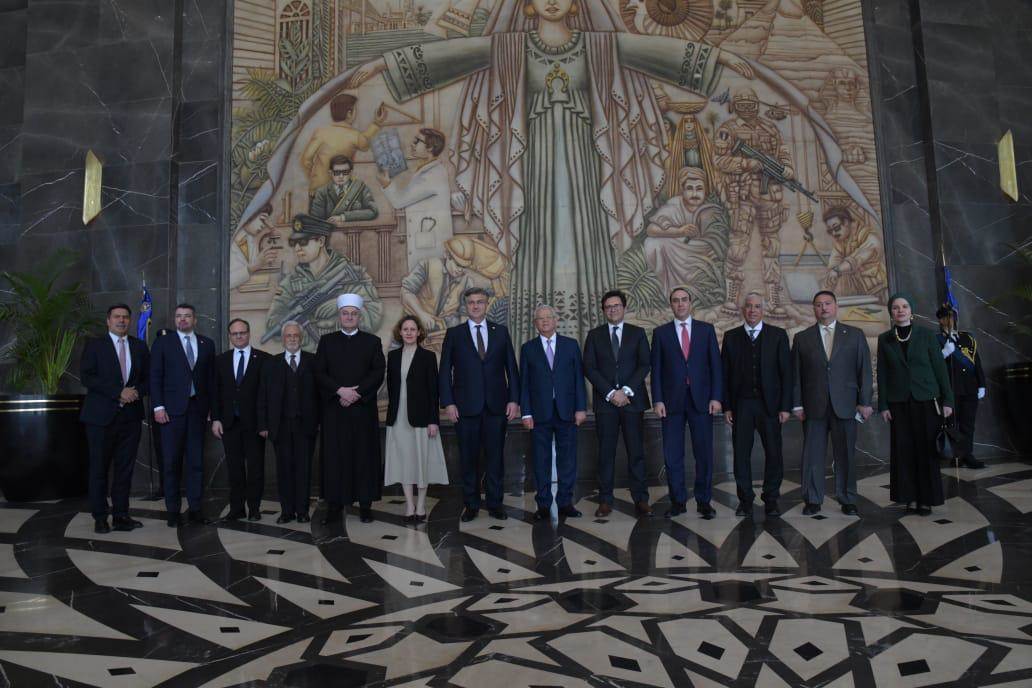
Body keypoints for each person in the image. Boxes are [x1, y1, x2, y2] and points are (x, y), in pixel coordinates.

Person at [343, 0, 755, 344]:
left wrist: (721, 58)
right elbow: (454, 57)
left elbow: (653, 52)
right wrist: (384, 65)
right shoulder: (512, 47)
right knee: (535, 236)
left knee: (586, 233)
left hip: (585, 167)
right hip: (532, 169)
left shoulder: (598, 45)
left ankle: (595, 338)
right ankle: (536, 333)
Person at [439, 287, 520, 521]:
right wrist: (448, 403)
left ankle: (495, 504)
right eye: (471, 302)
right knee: (468, 459)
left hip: (497, 406)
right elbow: (444, 371)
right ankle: (471, 504)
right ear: (466, 306)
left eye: (480, 302)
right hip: (465, 408)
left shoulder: (500, 332)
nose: (475, 306)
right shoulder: (454, 334)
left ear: (486, 304)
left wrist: (514, 399)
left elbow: (511, 369)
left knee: (495, 458)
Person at [714, 87, 796, 316]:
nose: (748, 109)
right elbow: (719, 160)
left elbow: (783, 152)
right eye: (743, 105)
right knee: (738, 247)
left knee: (772, 246)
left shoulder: (770, 128)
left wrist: (787, 168)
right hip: (742, 195)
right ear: (735, 106)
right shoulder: (728, 130)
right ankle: (732, 298)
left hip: (770, 194)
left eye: (752, 104)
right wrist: (747, 164)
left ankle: (774, 299)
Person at [792, 290, 873, 516]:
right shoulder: (802, 338)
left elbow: (864, 370)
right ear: (814, 309)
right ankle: (812, 499)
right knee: (812, 455)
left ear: (836, 306)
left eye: (827, 303)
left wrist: (865, 402)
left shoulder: (855, 335)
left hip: (846, 405)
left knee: (845, 454)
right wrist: (797, 404)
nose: (823, 308)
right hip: (813, 406)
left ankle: (847, 499)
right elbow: (795, 375)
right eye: (819, 305)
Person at [650, 287, 723, 519]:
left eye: (684, 300)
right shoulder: (660, 333)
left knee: (704, 454)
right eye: (675, 301)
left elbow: (716, 366)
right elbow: (656, 370)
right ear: (671, 305)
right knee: (673, 456)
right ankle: (678, 502)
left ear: (691, 303)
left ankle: (704, 502)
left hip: (702, 401)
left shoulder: (706, 330)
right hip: (671, 403)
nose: (680, 304)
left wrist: (716, 397)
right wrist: (657, 399)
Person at [879, 295, 954, 514]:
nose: (900, 310)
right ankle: (909, 496)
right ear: (891, 312)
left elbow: (939, 368)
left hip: (926, 400)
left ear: (911, 310)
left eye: (904, 306)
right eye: (895, 307)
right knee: (904, 451)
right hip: (898, 403)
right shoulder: (885, 339)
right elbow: (882, 373)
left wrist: (948, 399)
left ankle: (926, 499)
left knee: (926, 451)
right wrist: (883, 405)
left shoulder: (926, 334)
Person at [315, 293, 386, 524]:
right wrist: (339, 391)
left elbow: (378, 372)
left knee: (364, 457)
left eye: (353, 314)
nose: (349, 317)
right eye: (345, 313)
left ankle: (365, 505)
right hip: (335, 411)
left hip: (362, 410)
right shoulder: (327, 342)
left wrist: (357, 393)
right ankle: (334, 505)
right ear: (340, 316)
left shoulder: (372, 342)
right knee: (335, 457)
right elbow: (319, 372)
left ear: (359, 316)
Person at [79, 304, 150, 533]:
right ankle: (100, 517)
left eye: (125, 317)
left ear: (130, 321)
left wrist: (135, 392)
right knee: (99, 469)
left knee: (124, 470)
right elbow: (87, 377)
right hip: (100, 418)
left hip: (130, 418)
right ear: (108, 321)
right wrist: (118, 392)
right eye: (117, 317)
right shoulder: (95, 346)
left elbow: (149, 378)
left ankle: (121, 515)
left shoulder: (139, 346)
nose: (121, 320)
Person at [582, 290, 652, 518]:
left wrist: (626, 390)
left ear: (624, 307)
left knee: (636, 452)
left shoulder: (637, 333)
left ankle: (641, 499)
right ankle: (605, 500)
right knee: (605, 453)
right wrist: (612, 393)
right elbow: (589, 367)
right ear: (604, 310)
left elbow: (645, 364)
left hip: (632, 401)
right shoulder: (594, 335)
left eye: (616, 305)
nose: (612, 309)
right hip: (606, 404)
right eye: (608, 306)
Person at [265, 214, 383, 350]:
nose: (297, 248)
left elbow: (373, 317)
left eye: (303, 241)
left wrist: (341, 305)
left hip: (345, 351)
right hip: (308, 357)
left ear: (321, 241)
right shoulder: (291, 282)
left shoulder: (350, 273)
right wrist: (302, 328)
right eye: (293, 243)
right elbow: (273, 323)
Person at [720, 292, 791, 518]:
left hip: (770, 406)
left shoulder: (778, 336)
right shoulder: (731, 337)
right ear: (743, 310)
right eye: (749, 306)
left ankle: (771, 499)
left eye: (757, 306)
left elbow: (787, 374)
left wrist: (785, 407)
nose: (752, 310)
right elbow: (724, 375)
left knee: (774, 453)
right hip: (741, 405)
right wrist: (727, 407)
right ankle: (745, 500)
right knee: (741, 454)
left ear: (763, 310)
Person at [151, 303, 216, 527]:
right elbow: (155, 376)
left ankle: (196, 509)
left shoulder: (207, 344)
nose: (183, 319)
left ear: (195, 319)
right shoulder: (163, 343)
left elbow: (210, 379)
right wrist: (158, 407)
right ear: (174, 319)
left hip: (198, 411)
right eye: (179, 316)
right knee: (171, 463)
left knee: (196, 463)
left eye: (187, 316)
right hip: (171, 413)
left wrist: (212, 408)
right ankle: (173, 511)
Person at [520, 305, 587, 521]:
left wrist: (581, 408)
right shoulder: (528, 348)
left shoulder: (571, 345)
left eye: (549, 317)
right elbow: (524, 383)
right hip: (539, 414)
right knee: (541, 460)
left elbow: (578, 379)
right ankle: (543, 504)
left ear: (556, 320)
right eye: (540, 318)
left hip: (567, 411)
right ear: (535, 323)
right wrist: (526, 413)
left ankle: (565, 502)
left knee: (567, 460)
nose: (545, 321)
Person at [384, 316, 449, 522]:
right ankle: (409, 505)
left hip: (422, 419)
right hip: (398, 418)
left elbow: (433, 391)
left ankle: (421, 506)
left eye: (413, 329)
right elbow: (391, 388)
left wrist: (433, 420)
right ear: (400, 332)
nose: (409, 332)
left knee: (421, 461)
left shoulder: (428, 357)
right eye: (406, 329)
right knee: (405, 462)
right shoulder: (393, 356)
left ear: (419, 332)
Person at [257, 321, 320, 524]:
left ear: (301, 338)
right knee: (283, 469)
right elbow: (263, 396)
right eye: (288, 336)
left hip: (306, 426)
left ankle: (302, 511)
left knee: (304, 469)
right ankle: (287, 511)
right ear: (282, 339)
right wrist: (263, 425)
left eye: (295, 335)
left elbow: (320, 395)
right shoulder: (271, 364)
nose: (292, 339)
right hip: (280, 426)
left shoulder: (313, 361)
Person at [642, 166, 731, 308]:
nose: (695, 193)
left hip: (701, 254)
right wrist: (679, 231)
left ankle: (701, 294)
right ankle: (670, 295)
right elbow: (651, 230)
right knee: (652, 243)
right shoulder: (674, 205)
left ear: (705, 191)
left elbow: (719, 239)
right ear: (682, 190)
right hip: (678, 250)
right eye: (690, 188)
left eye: (699, 189)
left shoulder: (710, 210)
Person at [211, 319, 270, 521]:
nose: (239, 336)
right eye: (235, 334)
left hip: (255, 424)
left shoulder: (263, 359)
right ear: (230, 336)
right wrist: (216, 419)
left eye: (242, 333)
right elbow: (215, 392)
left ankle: (254, 508)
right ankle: (237, 508)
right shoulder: (221, 360)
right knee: (234, 469)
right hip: (229, 423)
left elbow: (266, 394)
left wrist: (264, 423)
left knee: (255, 469)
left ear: (248, 333)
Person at [377, 128, 456, 271]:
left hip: (430, 246)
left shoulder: (432, 175)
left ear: (430, 148)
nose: (412, 144)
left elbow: (399, 201)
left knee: (428, 279)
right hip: (426, 241)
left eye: (417, 141)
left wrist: (387, 184)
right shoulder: (426, 171)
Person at [401, 235, 509, 334]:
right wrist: (422, 314)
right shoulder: (427, 265)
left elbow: (464, 314)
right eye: (457, 264)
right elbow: (406, 291)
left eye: (464, 267)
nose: (460, 270)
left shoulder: (467, 281)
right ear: (447, 255)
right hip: (414, 327)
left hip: (441, 333)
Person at [936, 303, 986, 469]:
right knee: (952, 425)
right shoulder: (936, 339)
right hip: (950, 388)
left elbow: (976, 361)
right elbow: (931, 364)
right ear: (940, 320)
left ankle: (967, 455)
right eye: (947, 316)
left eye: (953, 316)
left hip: (970, 387)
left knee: (968, 424)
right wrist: (944, 353)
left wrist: (982, 384)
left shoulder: (967, 338)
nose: (951, 320)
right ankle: (957, 455)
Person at [301, 93, 386, 190]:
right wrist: (377, 123)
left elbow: (305, 160)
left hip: (317, 188)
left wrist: (314, 180)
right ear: (349, 114)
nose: (356, 114)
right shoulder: (355, 136)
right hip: (339, 190)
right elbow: (365, 144)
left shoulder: (320, 132)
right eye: (355, 110)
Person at [820, 202, 888, 303]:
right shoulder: (840, 243)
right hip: (861, 296)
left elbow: (856, 259)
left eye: (836, 228)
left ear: (846, 222)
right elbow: (832, 268)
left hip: (881, 292)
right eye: (830, 231)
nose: (834, 233)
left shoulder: (868, 236)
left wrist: (837, 270)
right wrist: (823, 296)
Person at [309, 156, 379, 224]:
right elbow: (316, 220)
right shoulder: (322, 192)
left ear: (350, 173)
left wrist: (343, 217)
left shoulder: (361, 188)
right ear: (330, 173)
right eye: (337, 172)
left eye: (345, 172)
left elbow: (373, 212)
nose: (341, 176)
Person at [229, 203, 278, 290]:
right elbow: (224, 282)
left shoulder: (250, 241)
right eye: (262, 220)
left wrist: (269, 229)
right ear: (249, 216)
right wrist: (251, 268)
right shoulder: (229, 242)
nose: (263, 225)